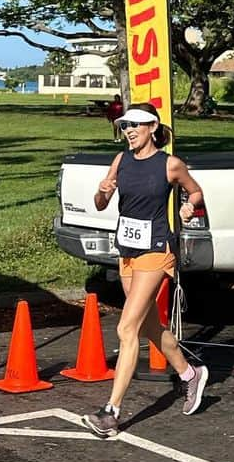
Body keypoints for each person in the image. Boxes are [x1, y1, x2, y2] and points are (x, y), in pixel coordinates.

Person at [83, 103, 208, 438]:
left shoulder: (170, 165)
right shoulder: (121, 160)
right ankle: (189, 374)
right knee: (150, 326)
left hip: (156, 250)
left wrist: (187, 205)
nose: (129, 132)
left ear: (152, 127)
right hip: (127, 250)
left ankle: (111, 413)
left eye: (136, 126)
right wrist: (101, 192)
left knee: (126, 329)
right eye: (125, 126)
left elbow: (195, 191)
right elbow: (100, 202)